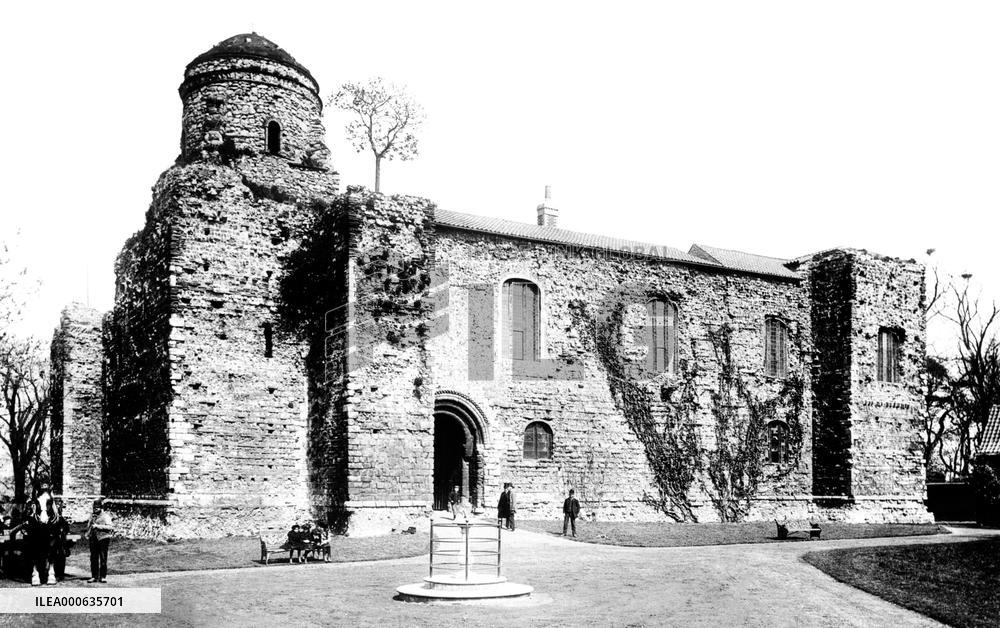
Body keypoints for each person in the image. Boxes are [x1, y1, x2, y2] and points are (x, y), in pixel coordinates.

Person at [85, 499, 113, 583]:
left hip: (103, 538)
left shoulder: (105, 516)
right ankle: (94, 576)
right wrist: (88, 533)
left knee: (103, 557)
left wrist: (98, 526)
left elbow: (110, 527)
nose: (95, 509)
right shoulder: (92, 516)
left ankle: (103, 576)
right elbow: (89, 526)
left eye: (97, 508)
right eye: (94, 508)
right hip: (93, 539)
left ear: (101, 508)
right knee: (93, 558)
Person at [49, 499, 72, 583]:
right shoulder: (51, 518)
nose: (59, 508)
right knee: (54, 555)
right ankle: (53, 572)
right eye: (57, 506)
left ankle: (60, 574)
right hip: (54, 539)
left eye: (60, 507)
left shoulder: (62, 519)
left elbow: (66, 528)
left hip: (61, 540)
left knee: (61, 556)